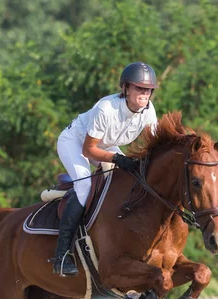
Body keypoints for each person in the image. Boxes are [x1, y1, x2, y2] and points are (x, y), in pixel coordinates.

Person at [49, 62, 159, 277]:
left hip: (104, 145)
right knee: (85, 186)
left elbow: (155, 145)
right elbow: (89, 150)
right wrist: (119, 159)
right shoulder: (106, 108)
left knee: (128, 181)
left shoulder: (148, 112)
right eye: (139, 88)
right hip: (75, 143)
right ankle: (62, 256)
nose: (144, 93)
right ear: (126, 88)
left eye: (147, 89)